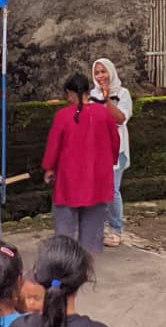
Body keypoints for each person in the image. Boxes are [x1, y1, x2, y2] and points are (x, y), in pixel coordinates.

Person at [43, 73, 120, 256]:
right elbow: (115, 142)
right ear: (88, 91)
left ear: (70, 93)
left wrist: (49, 168)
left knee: (65, 227)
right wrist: (109, 162)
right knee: (93, 227)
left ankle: (65, 260)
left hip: (69, 178)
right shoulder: (103, 113)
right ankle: (87, 262)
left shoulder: (63, 116)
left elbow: (54, 146)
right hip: (98, 177)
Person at [91, 58, 133, 248]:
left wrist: (107, 100)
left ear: (111, 72)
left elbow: (121, 118)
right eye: (97, 72)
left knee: (111, 189)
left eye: (103, 71)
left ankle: (116, 229)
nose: (101, 76)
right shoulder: (92, 95)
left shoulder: (123, 94)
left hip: (117, 150)